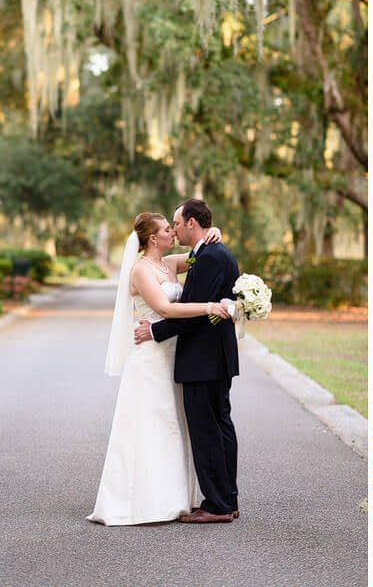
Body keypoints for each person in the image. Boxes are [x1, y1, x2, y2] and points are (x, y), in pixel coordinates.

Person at [89, 212, 231, 526]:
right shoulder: (140, 270)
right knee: (151, 424)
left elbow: (199, 253)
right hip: (150, 358)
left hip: (173, 357)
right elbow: (166, 309)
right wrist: (209, 307)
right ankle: (144, 499)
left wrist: (214, 231)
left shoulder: (167, 264)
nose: (173, 232)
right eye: (168, 229)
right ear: (154, 238)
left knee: (174, 424)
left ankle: (177, 497)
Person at [132, 198, 243, 524]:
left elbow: (187, 312)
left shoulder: (209, 257)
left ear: (192, 223)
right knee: (221, 426)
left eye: (177, 224)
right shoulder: (204, 254)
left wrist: (154, 331)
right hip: (212, 357)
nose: (174, 229)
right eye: (168, 228)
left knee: (209, 430)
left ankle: (218, 505)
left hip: (203, 358)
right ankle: (227, 499)